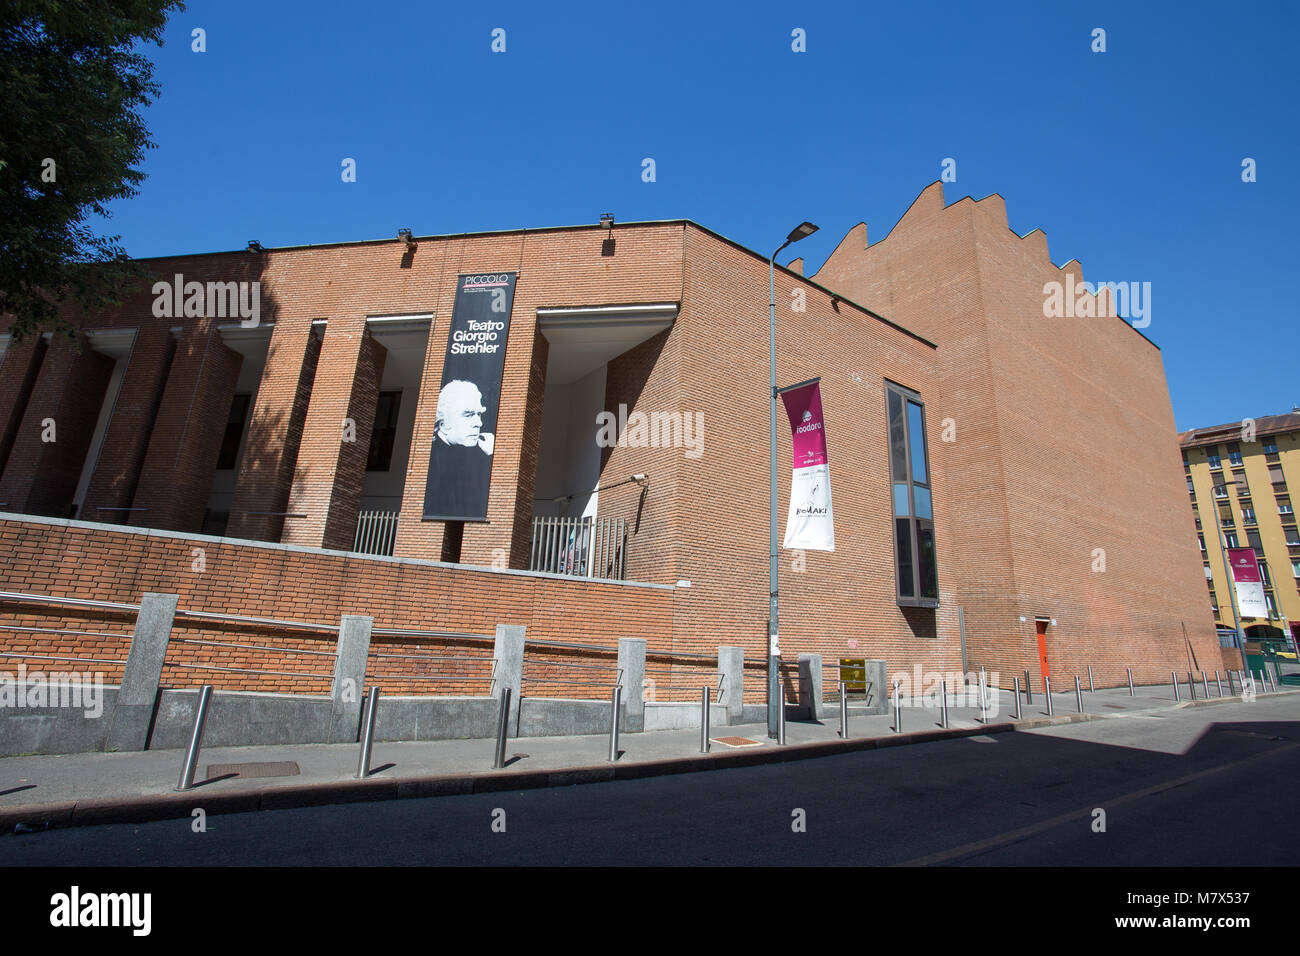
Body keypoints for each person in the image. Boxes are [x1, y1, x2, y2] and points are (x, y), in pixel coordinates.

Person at [424, 379, 496, 520]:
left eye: (479, 414)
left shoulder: (478, 451)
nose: (479, 423)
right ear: (443, 424)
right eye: (468, 415)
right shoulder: (432, 462)